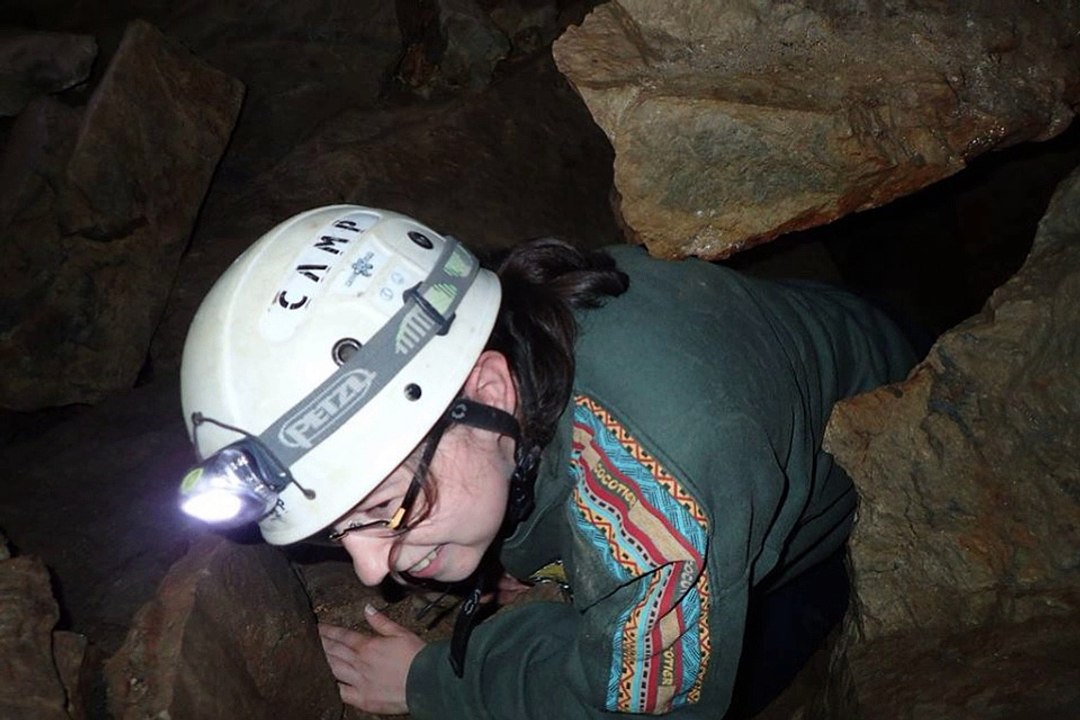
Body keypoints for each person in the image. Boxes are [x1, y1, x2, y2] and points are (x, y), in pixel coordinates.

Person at [177, 204, 917, 718]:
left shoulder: (665, 492)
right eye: (337, 531)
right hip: (824, 335)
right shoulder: (509, 331)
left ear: (488, 388)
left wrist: (436, 681)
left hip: (877, 476)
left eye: (388, 510)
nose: (374, 570)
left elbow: (630, 712)